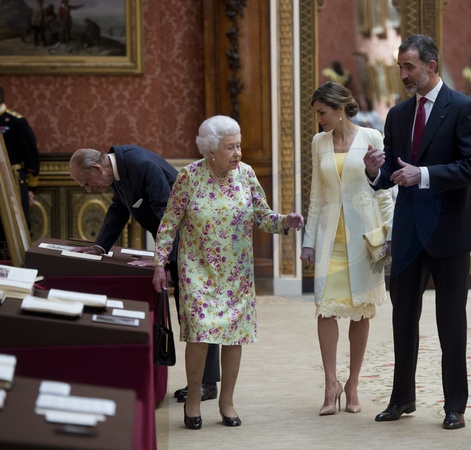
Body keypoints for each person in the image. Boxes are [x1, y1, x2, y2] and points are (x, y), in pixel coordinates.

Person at [152, 115, 304, 430]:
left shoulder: (246, 175)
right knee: (199, 333)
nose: (238, 153)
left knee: (234, 336)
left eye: (239, 146)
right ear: (210, 150)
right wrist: (159, 264)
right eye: (230, 147)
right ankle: (194, 399)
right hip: (197, 270)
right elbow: (169, 224)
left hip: (236, 273)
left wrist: (284, 221)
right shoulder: (189, 177)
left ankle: (227, 402)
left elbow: (262, 216)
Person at [363, 34, 471, 429]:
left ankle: (455, 406)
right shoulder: (397, 115)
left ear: (431, 66)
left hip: (450, 230)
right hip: (410, 230)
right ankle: (402, 399)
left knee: (451, 322)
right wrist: (373, 171)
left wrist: (425, 174)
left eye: (409, 67)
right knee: (402, 319)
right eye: (400, 67)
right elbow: (390, 174)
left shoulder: (463, 107)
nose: (403, 74)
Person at [68, 145, 222, 403]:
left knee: (197, 313)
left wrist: (160, 258)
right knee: (188, 313)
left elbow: (167, 214)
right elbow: (119, 209)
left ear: (96, 168)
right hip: (179, 242)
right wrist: (99, 246)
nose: (89, 190)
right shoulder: (119, 171)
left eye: (86, 182)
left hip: (195, 241)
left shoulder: (141, 165)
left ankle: (206, 384)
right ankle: (200, 382)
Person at [301, 81, 394, 416]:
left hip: (363, 238)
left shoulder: (372, 137)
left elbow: (384, 191)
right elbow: (316, 195)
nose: (319, 119)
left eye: (322, 113)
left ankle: (353, 384)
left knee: (361, 311)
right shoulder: (319, 142)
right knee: (325, 310)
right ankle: (331, 384)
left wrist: (389, 234)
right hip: (330, 239)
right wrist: (308, 241)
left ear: (340, 110)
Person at [0, 84, 40, 256]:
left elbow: (31, 156)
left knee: (15, 226)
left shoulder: (16, 122)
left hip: (13, 182)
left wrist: (30, 188)